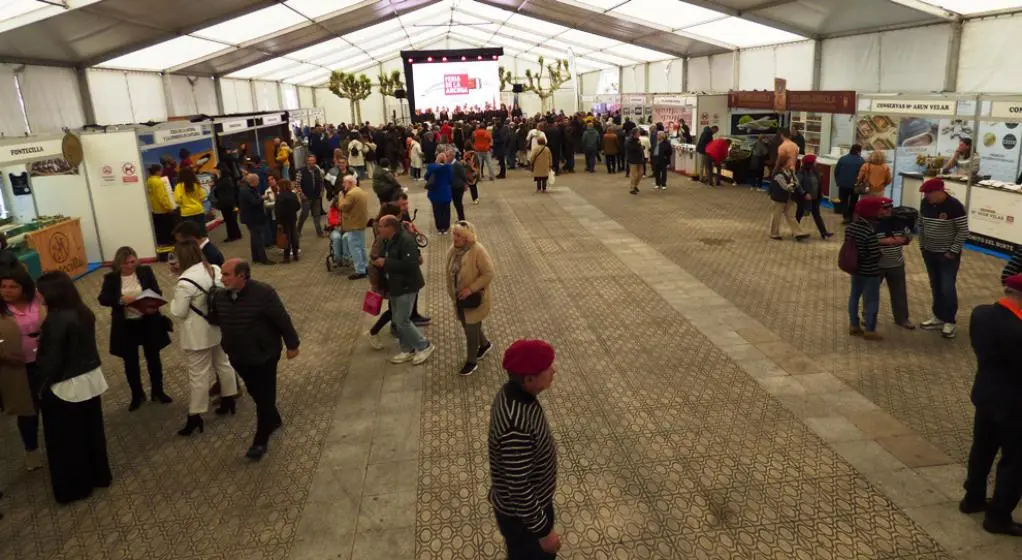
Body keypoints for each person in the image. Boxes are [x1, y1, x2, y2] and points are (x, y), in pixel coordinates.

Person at [35, 271, 112, 504]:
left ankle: (75, 487)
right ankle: (99, 475)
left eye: (40, 290)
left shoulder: (55, 320)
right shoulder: (82, 311)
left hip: (65, 386)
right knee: (91, 432)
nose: (38, 294)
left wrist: (39, 388)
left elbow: (52, 360)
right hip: (89, 379)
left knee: (67, 440)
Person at [214, 259, 300, 461]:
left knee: (264, 396)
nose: (222, 279)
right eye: (222, 274)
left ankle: (260, 441)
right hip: (238, 356)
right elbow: (216, 318)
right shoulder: (220, 297)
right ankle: (274, 418)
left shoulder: (263, 293)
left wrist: (292, 344)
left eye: (227, 275)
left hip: (265, 355)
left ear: (242, 275)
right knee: (255, 392)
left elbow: (281, 319)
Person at [962, 273, 1022, 536]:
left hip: (985, 395)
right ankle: (998, 517)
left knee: (983, 449)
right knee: (1014, 462)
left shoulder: (981, 314)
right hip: (1015, 406)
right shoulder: (1018, 332)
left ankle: (973, 498)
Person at [490, 339, 560, 559]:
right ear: (529, 379)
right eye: (547, 369)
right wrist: (544, 531)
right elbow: (519, 490)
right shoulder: (515, 426)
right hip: (523, 519)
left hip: (530, 508)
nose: (553, 371)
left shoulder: (515, 393)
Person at [170, 240, 240, 437]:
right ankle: (229, 398)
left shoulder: (184, 282)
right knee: (223, 364)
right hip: (217, 327)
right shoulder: (214, 269)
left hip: (196, 335)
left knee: (198, 375)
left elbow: (179, 311)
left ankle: (195, 415)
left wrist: (172, 302)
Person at [98, 247, 172, 411]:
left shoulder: (145, 271)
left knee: (153, 358)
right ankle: (137, 395)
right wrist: (120, 300)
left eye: (133, 262)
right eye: (126, 263)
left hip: (148, 321)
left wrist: (151, 303)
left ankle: (158, 391)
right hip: (126, 325)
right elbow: (103, 299)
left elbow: (157, 291)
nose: (130, 266)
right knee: (130, 362)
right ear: (119, 263)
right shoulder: (111, 278)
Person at [374, 216, 435, 365]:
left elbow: (410, 265)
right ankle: (407, 349)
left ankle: (424, 345)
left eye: (381, 226)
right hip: (394, 285)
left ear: (391, 227)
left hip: (406, 286)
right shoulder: (388, 240)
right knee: (396, 319)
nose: (378, 228)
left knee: (402, 321)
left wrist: (386, 262)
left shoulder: (406, 241)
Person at [0, 267, 44, 471]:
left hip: (45, 362)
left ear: (24, 287)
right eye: (3, 286)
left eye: (12, 286)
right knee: (27, 411)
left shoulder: (38, 300)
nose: (6, 290)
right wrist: (3, 353)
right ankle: (31, 450)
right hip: (18, 368)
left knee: (52, 404)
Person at [918, 178, 969, 339]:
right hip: (929, 252)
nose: (926, 196)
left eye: (929, 193)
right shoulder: (925, 204)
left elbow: (963, 231)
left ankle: (950, 321)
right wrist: (922, 245)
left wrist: (952, 251)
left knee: (947, 287)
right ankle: (938, 316)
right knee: (935, 286)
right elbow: (921, 224)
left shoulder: (954, 206)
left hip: (947, 255)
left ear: (940, 191)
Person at [447, 221, 495, 376]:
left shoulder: (478, 250)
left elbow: (488, 273)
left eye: (458, 235)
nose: (454, 238)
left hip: (473, 299)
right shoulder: (453, 250)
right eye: (454, 233)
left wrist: (470, 289)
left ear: (467, 237)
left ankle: (471, 361)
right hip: (459, 299)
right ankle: (485, 345)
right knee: (468, 324)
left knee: (470, 329)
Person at [846, 197, 896, 341]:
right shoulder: (869, 231)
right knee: (872, 300)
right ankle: (870, 330)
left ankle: (854, 325)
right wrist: (881, 252)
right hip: (870, 272)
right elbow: (874, 254)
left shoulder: (851, 227)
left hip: (855, 269)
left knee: (854, 297)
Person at [875, 202, 915, 329]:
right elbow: (865, 239)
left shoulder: (900, 222)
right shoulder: (872, 223)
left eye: (890, 207)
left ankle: (902, 319)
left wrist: (904, 240)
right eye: (885, 208)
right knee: (871, 293)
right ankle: (868, 317)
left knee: (899, 292)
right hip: (876, 264)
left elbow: (909, 236)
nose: (888, 210)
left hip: (896, 264)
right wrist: (884, 241)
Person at [795, 155, 834, 239]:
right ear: (810, 163)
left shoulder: (814, 170)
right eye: (815, 161)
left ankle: (824, 232)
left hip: (815, 197)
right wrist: (804, 193)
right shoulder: (801, 172)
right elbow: (797, 185)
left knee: (817, 215)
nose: (816, 162)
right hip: (804, 198)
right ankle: (796, 232)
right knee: (799, 214)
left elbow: (818, 182)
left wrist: (821, 192)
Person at [339, 175, 370, 280]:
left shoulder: (351, 194)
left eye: (344, 182)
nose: (343, 184)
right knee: (362, 247)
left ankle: (360, 270)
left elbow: (342, 207)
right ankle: (365, 266)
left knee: (355, 248)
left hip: (353, 224)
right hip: (361, 223)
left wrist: (340, 197)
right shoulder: (360, 191)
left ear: (350, 183)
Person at [768, 165, 810, 241]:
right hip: (779, 198)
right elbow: (785, 186)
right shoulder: (779, 174)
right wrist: (793, 185)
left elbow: (797, 183)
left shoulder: (791, 172)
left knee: (791, 216)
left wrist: (793, 178)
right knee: (776, 216)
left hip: (789, 198)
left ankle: (798, 233)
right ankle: (774, 233)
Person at [240, 174, 273, 265]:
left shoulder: (247, 189)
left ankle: (256, 257)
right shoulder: (246, 191)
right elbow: (254, 202)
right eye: (258, 181)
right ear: (254, 181)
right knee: (258, 238)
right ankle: (263, 259)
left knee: (254, 238)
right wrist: (263, 198)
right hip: (253, 218)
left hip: (251, 217)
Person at [295, 154, 326, 238]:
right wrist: (301, 194)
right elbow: (297, 184)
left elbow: (321, 182)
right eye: (310, 160)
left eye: (313, 160)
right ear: (307, 161)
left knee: (317, 215)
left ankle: (319, 232)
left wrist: (321, 192)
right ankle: (298, 230)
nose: (311, 162)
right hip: (306, 197)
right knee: (304, 214)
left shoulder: (317, 170)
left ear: (315, 161)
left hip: (317, 196)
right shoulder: (301, 171)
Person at [146, 164, 176, 248]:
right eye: (160, 170)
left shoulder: (149, 181)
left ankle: (162, 245)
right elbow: (162, 197)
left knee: (159, 230)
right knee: (167, 230)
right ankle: (169, 246)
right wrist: (168, 208)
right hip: (163, 210)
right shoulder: (159, 182)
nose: (161, 172)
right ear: (157, 171)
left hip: (154, 209)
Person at [835, 145, 866, 224]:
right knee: (853, 201)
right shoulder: (861, 161)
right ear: (859, 151)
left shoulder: (843, 159)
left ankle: (846, 217)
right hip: (855, 185)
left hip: (843, 184)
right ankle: (851, 217)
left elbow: (836, 171)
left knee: (843, 201)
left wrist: (838, 181)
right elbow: (863, 174)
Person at [425, 153, 454, 234]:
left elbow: (426, 177)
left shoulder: (432, 168)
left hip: (435, 193)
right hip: (445, 194)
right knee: (446, 212)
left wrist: (436, 162)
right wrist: (446, 162)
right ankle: (445, 228)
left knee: (437, 212)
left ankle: (439, 228)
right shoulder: (447, 168)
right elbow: (451, 179)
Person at [212, 164, 242, 243]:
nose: (216, 171)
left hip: (227, 203)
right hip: (230, 202)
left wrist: (216, 179)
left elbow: (218, 190)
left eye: (217, 169)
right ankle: (237, 234)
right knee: (232, 220)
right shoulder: (228, 178)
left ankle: (232, 236)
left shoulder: (224, 180)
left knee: (229, 220)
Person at [275, 179, 302, 264]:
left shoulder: (280, 196)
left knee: (286, 237)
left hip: (283, 219)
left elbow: (278, 210)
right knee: (294, 236)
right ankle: (295, 254)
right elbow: (298, 206)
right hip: (292, 218)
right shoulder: (293, 195)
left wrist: (278, 221)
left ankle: (286, 257)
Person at [174, 167, 207, 233]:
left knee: (191, 233)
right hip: (198, 210)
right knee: (202, 231)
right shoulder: (196, 184)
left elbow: (178, 200)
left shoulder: (178, 186)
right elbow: (203, 197)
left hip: (186, 212)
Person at [624, 128, 644, 194]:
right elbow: (631, 149)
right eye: (638, 133)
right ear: (634, 133)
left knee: (641, 173)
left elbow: (640, 148)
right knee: (633, 175)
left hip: (639, 159)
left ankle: (635, 185)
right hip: (632, 160)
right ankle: (632, 189)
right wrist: (639, 146)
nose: (639, 134)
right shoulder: (629, 140)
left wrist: (641, 147)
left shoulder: (638, 139)